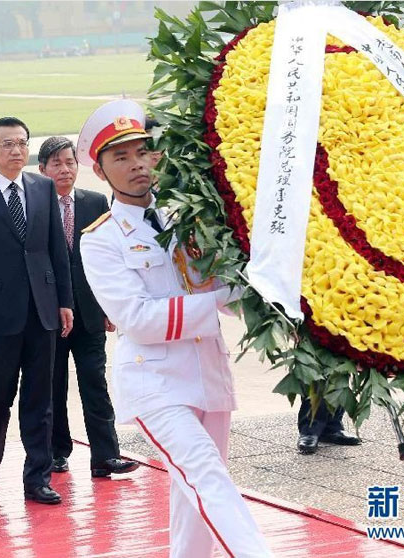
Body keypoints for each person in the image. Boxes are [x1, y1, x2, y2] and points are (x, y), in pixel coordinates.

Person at [78, 100, 272, 558]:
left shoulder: (188, 216)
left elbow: (226, 278)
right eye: (120, 157)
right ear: (101, 172)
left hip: (208, 372)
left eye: (142, 152)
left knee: (193, 497)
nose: (136, 165)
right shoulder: (101, 239)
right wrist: (227, 297)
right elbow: (139, 320)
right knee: (207, 476)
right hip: (155, 381)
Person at [0, 116, 73, 505]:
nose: (16, 150)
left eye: (21, 143)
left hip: (42, 311)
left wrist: (64, 302)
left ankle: (37, 477)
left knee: (41, 398)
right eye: (7, 144)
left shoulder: (42, 188)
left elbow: (57, 252)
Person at [37, 136, 138, 478]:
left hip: (91, 312)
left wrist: (111, 307)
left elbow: (113, 258)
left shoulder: (95, 202)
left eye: (70, 162)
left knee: (94, 381)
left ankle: (105, 456)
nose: (65, 170)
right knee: (53, 384)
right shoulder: (34, 205)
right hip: (49, 315)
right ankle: (56, 451)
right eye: (56, 164)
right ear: (42, 170)